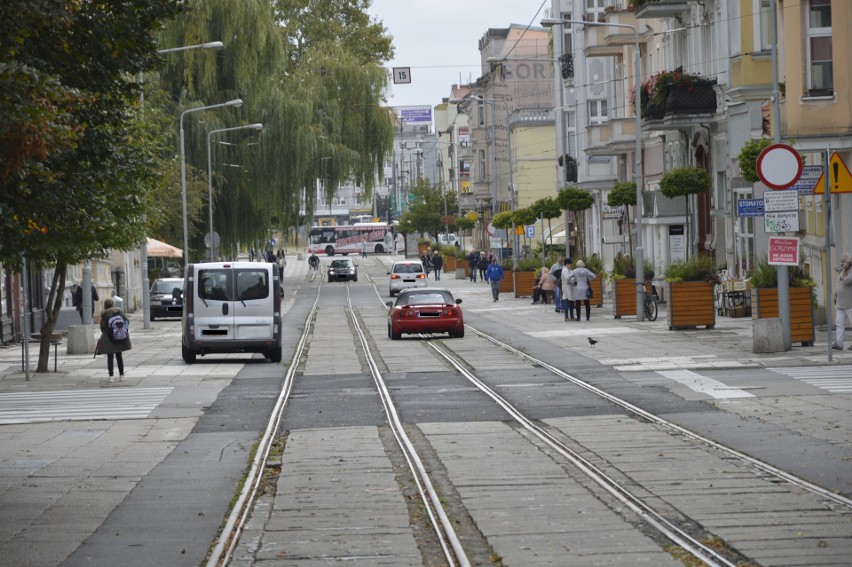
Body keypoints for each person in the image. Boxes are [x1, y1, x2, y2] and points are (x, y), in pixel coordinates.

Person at [98, 298, 131, 383]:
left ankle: (111, 376)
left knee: (110, 357)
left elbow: (102, 328)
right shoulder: (118, 312)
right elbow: (127, 321)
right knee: (119, 356)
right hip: (119, 336)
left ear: (105, 306)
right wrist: (124, 330)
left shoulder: (104, 315)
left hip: (109, 338)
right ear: (113, 304)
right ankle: (122, 375)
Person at [832, 253, 852, 350]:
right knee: (839, 323)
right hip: (840, 303)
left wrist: (845, 269)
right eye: (841, 262)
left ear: (849, 263)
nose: (841, 264)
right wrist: (835, 295)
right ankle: (839, 343)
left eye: (843, 262)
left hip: (850, 303)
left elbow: (847, 281)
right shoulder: (842, 271)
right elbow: (838, 284)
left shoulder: (850, 271)